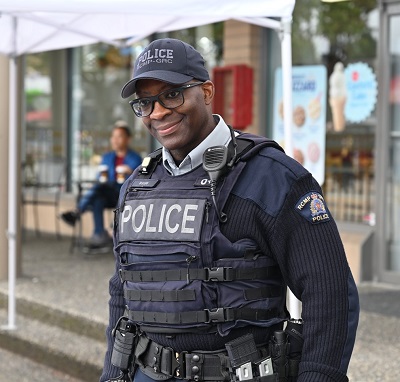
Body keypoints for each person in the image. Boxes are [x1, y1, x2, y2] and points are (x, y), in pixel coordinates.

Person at [100, 38, 359, 382]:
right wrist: (113, 374)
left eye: (172, 94)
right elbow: (123, 289)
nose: (158, 112)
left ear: (206, 92)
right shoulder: (137, 186)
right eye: (145, 103)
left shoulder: (272, 176)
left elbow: (330, 292)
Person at [61, 121, 141, 247]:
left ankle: (77, 212)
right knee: (98, 198)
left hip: (125, 196)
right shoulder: (107, 157)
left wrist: (130, 172)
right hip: (107, 192)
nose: (115, 140)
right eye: (113, 136)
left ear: (128, 139)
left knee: (99, 191)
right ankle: (99, 235)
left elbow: (140, 180)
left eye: (119, 136)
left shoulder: (135, 158)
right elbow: (100, 178)